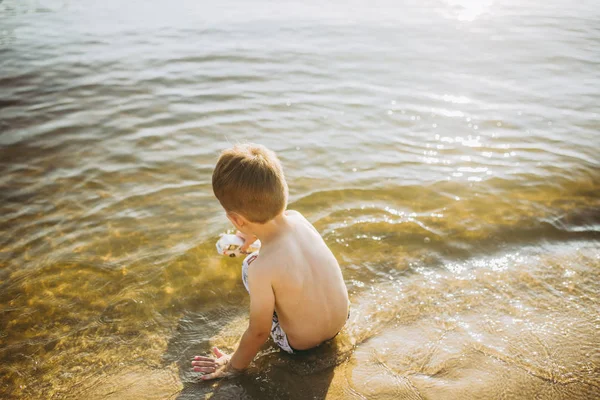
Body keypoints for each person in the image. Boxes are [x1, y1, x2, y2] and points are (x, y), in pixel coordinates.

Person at [191, 143, 349, 380]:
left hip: (301, 345)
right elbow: (283, 242)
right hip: (340, 322)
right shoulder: (299, 219)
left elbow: (259, 332)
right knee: (279, 263)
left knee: (251, 265)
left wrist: (232, 366)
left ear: (236, 220)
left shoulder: (261, 269)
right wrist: (250, 234)